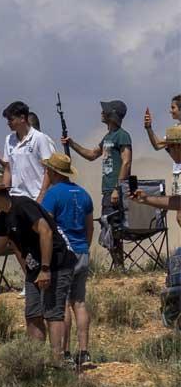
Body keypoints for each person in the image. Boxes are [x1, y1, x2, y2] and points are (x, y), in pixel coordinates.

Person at [0, 177, 76, 362]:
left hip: (56, 264)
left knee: (53, 313)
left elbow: (46, 232)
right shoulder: (3, 218)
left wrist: (45, 269)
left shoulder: (23, 206)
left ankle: (58, 362)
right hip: (34, 268)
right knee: (33, 314)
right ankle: (35, 361)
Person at [61, 100, 133, 269]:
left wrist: (117, 188)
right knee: (109, 227)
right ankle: (118, 265)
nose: (102, 113)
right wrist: (71, 144)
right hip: (107, 190)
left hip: (115, 191)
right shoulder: (108, 137)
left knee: (113, 227)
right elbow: (92, 155)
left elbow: (126, 162)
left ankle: (119, 266)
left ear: (113, 115)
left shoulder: (122, 135)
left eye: (105, 111)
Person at [40, 152, 94, 368]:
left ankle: (65, 351)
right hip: (82, 251)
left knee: (61, 304)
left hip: (63, 256)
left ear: (54, 171)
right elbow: (90, 227)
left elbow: (46, 228)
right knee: (79, 303)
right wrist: (85, 248)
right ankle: (85, 351)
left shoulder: (52, 195)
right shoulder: (84, 194)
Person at [0, 101, 56, 204]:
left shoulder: (39, 138)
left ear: (22, 118)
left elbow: (49, 169)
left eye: (11, 119)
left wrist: (41, 195)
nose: (8, 123)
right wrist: (4, 196)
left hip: (36, 197)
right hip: (15, 197)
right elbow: (8, 169)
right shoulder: (9, 139)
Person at [144, 97, 181, 202]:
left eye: (173, 108)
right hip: (177, 174)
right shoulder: (175, 129)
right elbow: (157, 145)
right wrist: (148, 128)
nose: (170, 111)